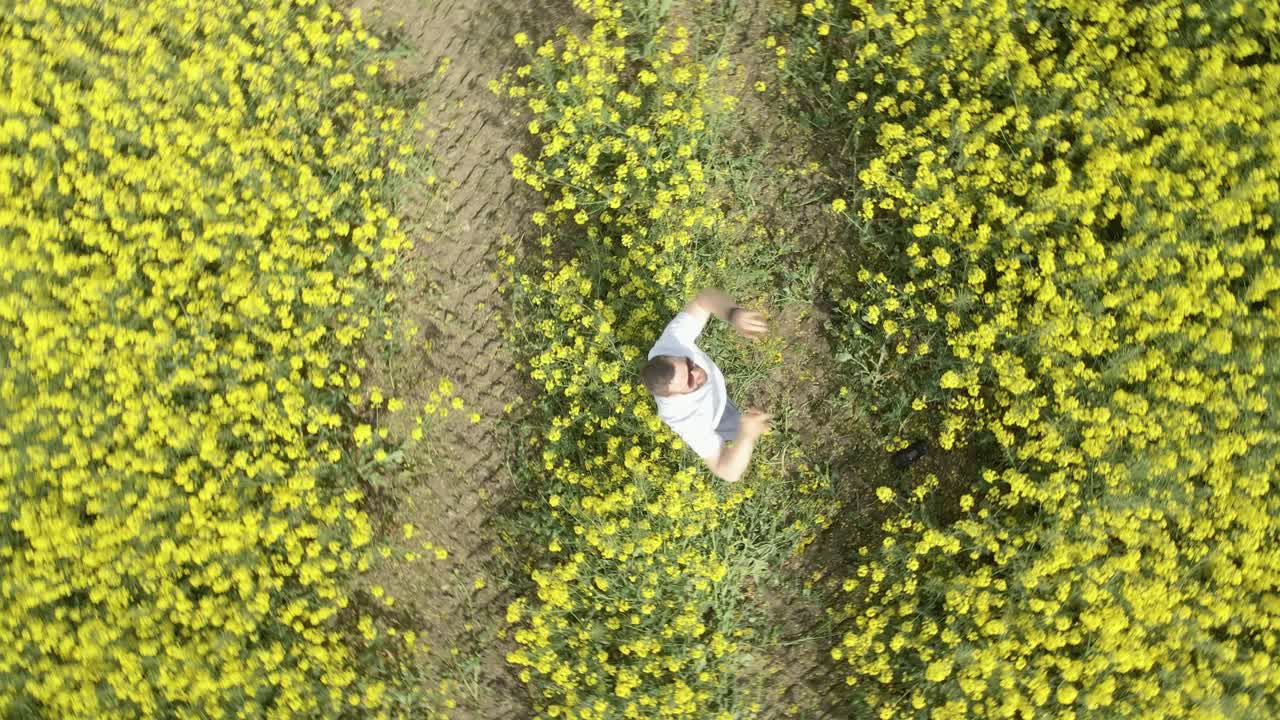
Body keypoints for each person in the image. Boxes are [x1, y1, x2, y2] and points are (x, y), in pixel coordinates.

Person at [640, 288, 773, 483]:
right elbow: (726, 471)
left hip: (715, 392)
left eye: (689, 363)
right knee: (744, 428)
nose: (696, 372)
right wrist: (746, 436)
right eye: (690, 381)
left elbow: (703, 298)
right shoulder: (687, 419)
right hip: (718, 415)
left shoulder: (671, 344)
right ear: (675, 396)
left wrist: (734, 314)